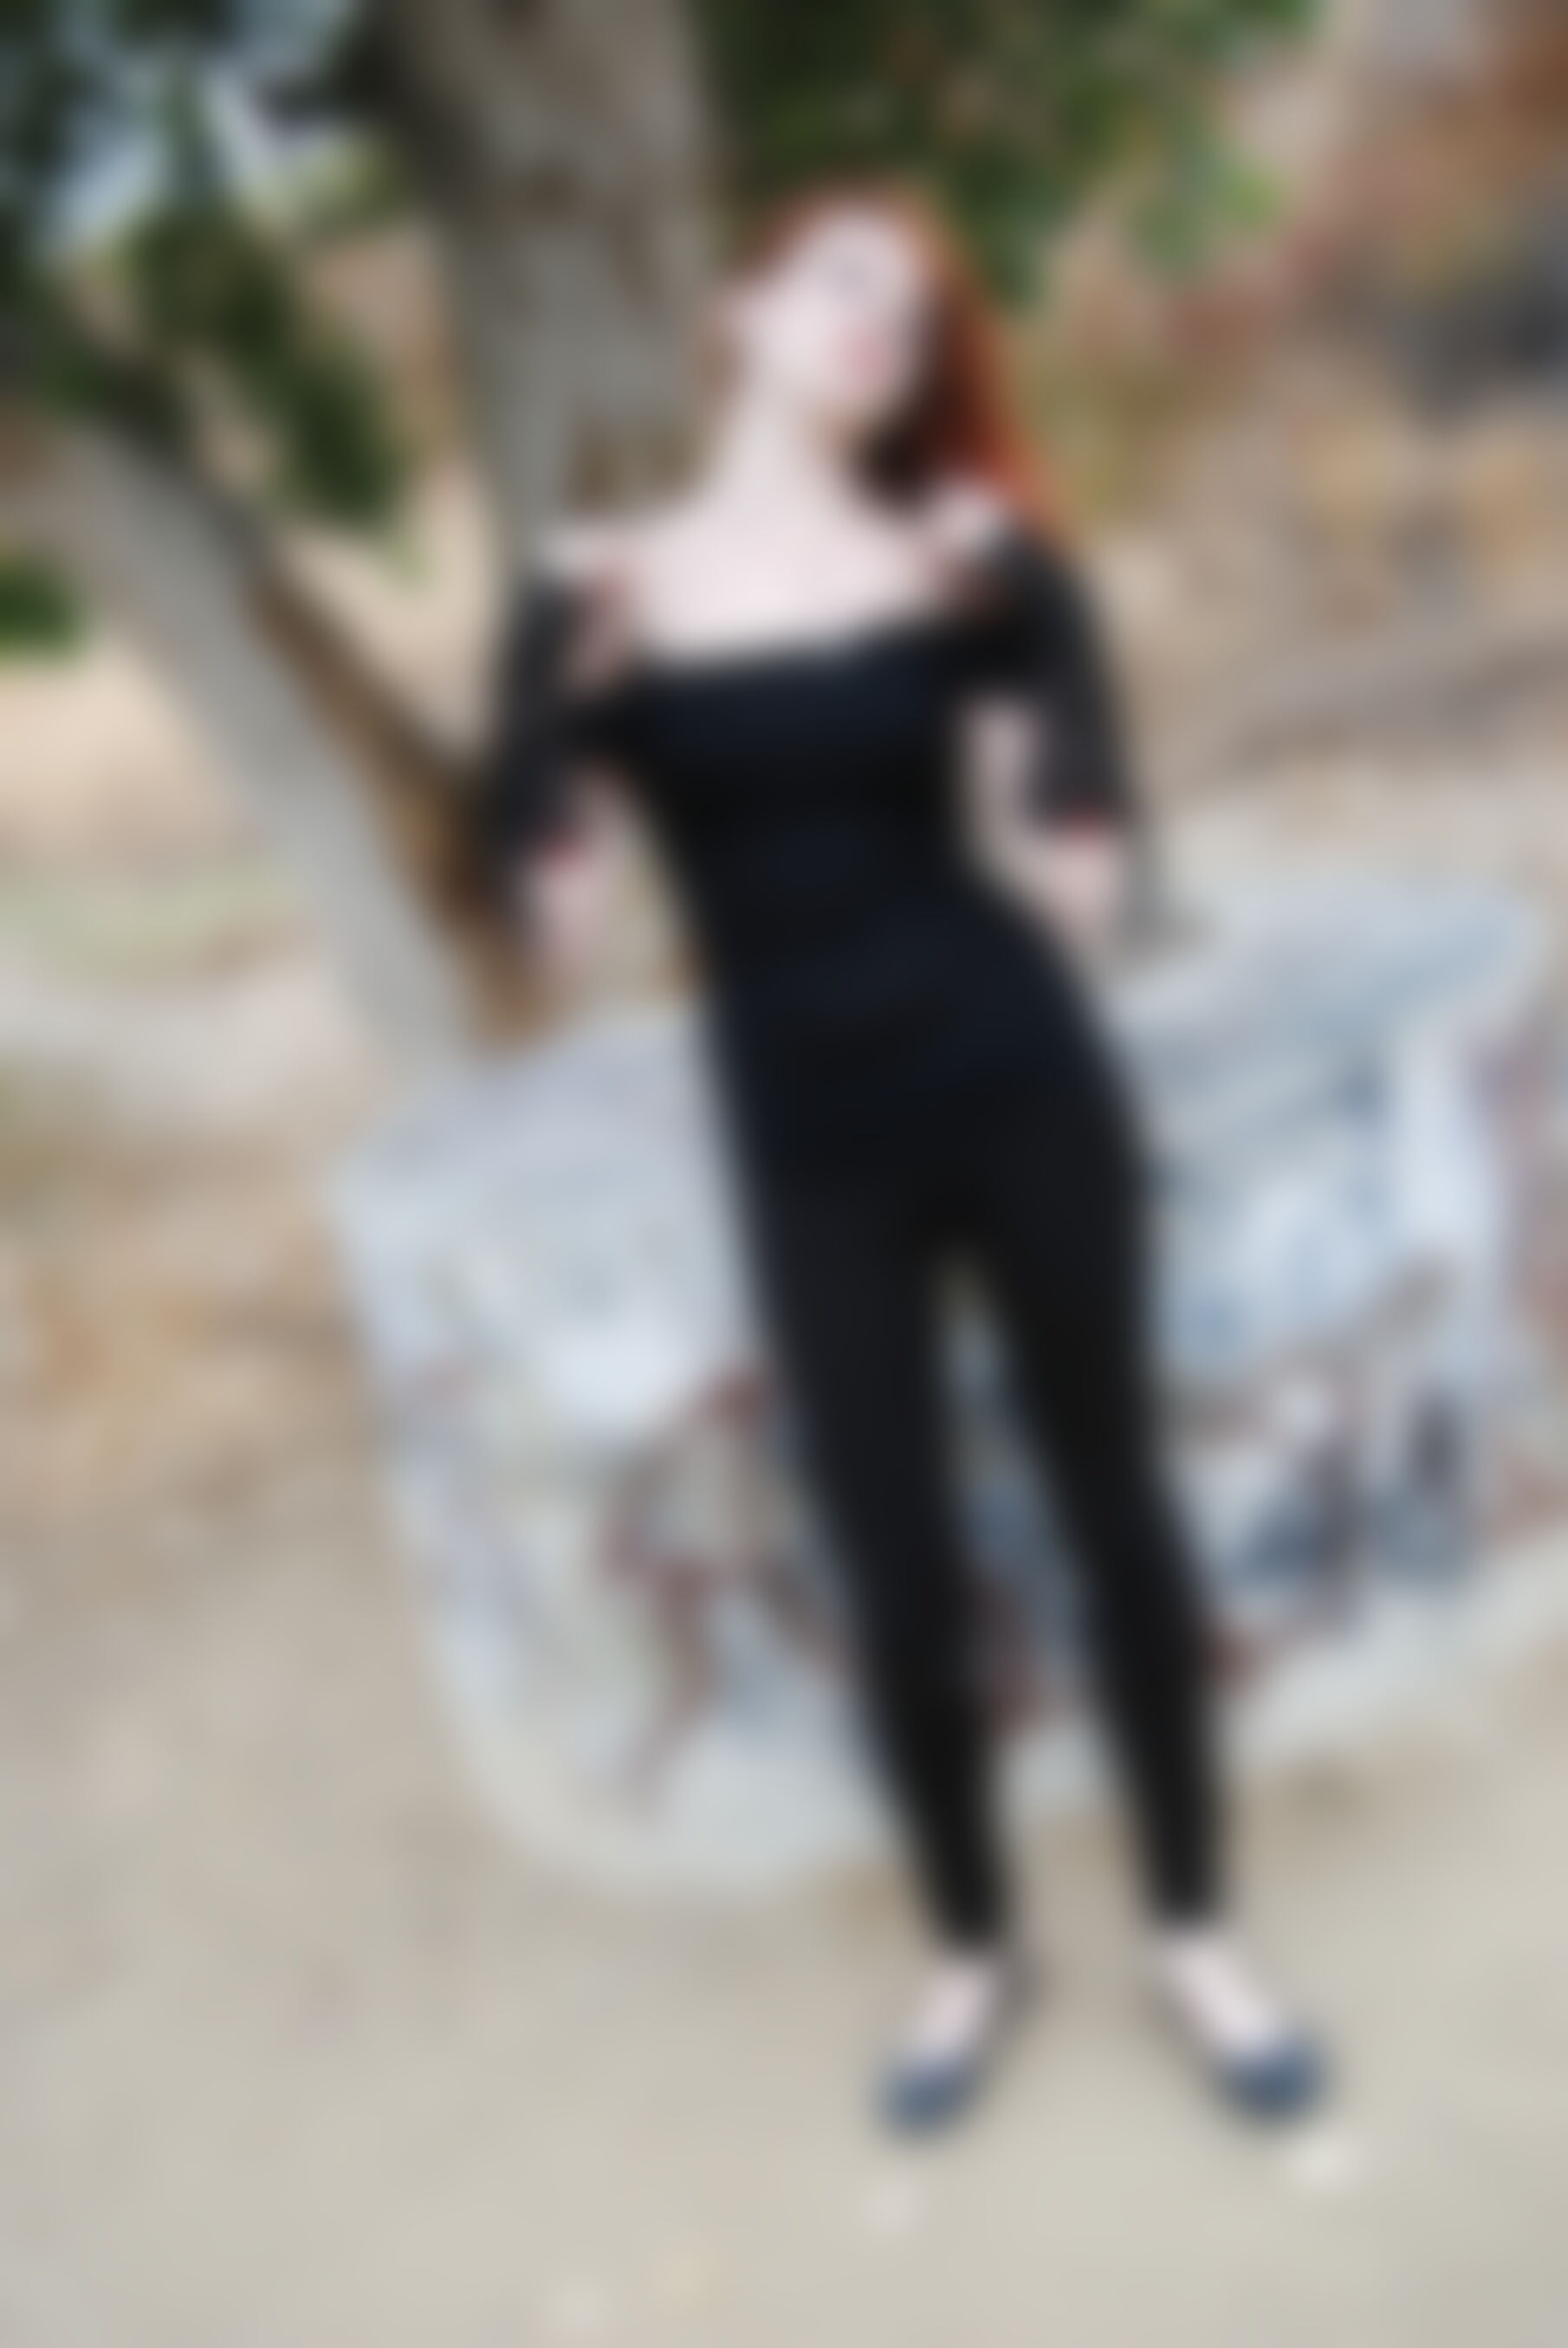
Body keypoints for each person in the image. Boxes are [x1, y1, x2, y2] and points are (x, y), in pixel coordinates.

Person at [475, 185, 1327, 2135]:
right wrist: (540, 675)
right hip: (810, 1142)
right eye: (847, 282)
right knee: (892, 1565)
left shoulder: (942, 568)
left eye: (921, 315)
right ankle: (972, 1945)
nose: (887, 325)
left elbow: (1078, 893)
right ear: (743, 306)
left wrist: (1050, 623)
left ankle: (1193, 1931)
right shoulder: (619, 586)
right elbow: (560, 941)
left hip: (1017, 1080)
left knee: (1116, 1514)